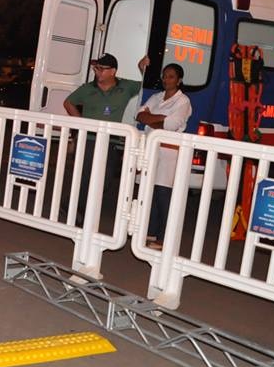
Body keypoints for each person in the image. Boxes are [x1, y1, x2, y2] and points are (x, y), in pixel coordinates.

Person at [63, 53, 149, 223]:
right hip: (89, 140)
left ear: (113, 71)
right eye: (96, 68)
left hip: (111, 142)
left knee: (106, 179)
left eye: (102, 69)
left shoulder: (125, 87)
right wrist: (80, 123)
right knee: (86, 176)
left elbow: (147, 87)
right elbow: (68, 102)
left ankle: (73, 206)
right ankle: (79, 211)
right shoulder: (88, 88)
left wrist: (142, 68)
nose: (98, 72)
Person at [136, 63, 192, 249]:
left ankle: (164, 237)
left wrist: (153, 119)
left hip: (168, 153)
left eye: (171, 77)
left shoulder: (182, 101)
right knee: (149, 191)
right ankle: (151, 232)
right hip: (151, 149)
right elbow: (140, 115)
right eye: (165, 76)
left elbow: (172, 125)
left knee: (163, 194)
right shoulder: (156, 97)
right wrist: (158, 119)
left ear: (179, 80)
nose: (166, 80)